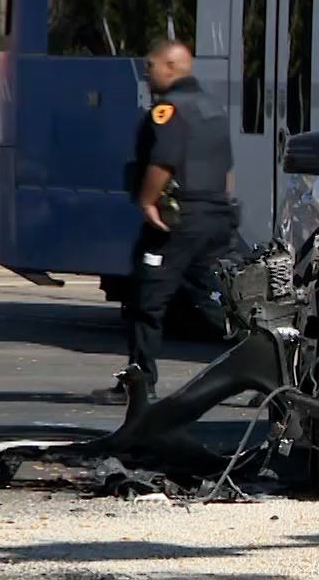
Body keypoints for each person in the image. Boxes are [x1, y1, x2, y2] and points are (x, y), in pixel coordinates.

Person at [93, 39, 239, 405]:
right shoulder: (213, 108)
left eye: (151, 65)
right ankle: (272, 373)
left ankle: (139, 385)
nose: (147, 73)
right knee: (221, 301)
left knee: (146, 298)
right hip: (216, 219)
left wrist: (146, 202)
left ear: (171, 67)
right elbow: (226, 171)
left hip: (178, 222)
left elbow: (164, 161)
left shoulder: (168, 111)